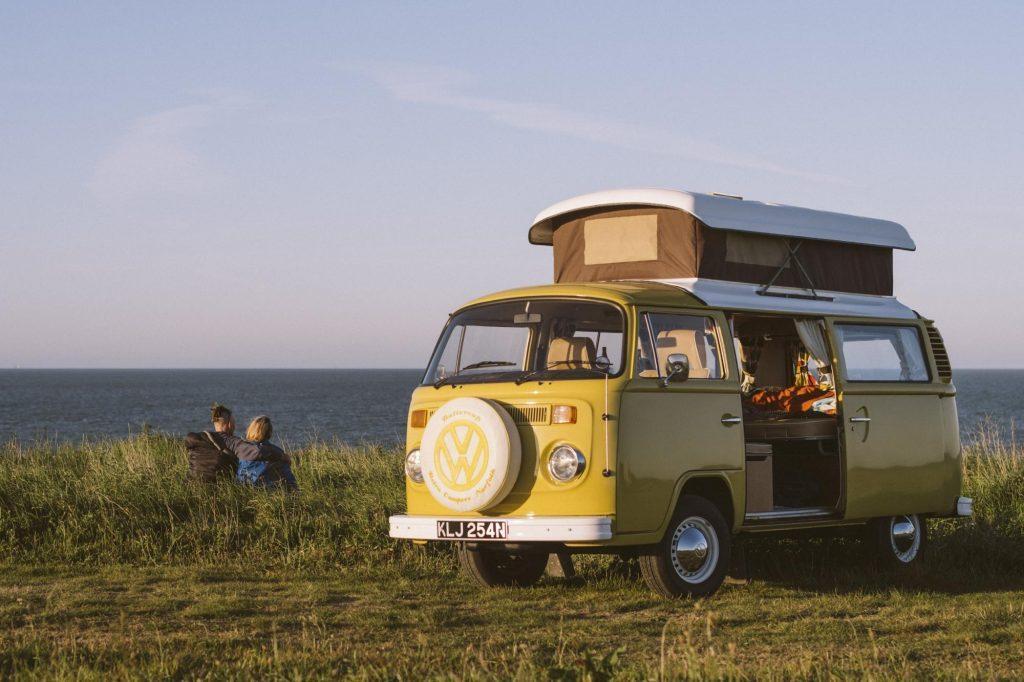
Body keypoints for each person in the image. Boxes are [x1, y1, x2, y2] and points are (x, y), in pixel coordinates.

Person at [235, 415, 298, 490]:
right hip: (269, 492)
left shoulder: (241, 448)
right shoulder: (277, 452)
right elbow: (289, 478)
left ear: (251, 430)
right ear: (270, 432)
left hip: (243, 490)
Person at [184, 404, 242, 483]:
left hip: (190, 485)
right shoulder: (234, 442)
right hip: (217, 491)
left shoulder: (198, 438)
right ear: (230, 424)